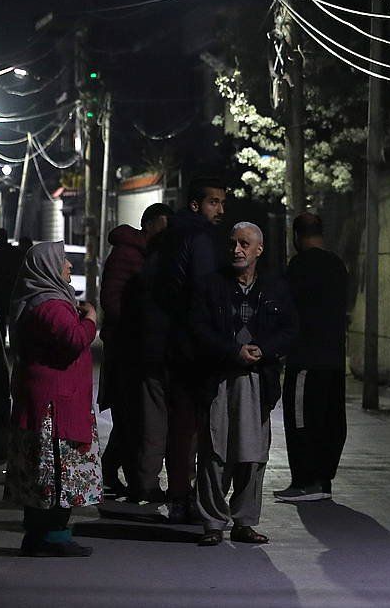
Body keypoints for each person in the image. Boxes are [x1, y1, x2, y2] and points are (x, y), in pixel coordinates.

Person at [189, 222, 297, 546]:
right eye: (233, 243)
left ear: (258, 250)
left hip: (257, 379)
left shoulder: (275, 287)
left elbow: (291, 329)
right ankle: (212, 522)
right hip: (219, 377)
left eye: (245, 244)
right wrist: (232, 351)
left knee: (253, 453)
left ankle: (244, 522)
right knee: (214, 451)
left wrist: (263, 350)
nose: (237, 250)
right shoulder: (211, 286)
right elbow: (197, 328)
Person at [3, 241, 102, 557]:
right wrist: (91, 320)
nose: (69, 266)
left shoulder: (39, 300)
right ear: (48, 267)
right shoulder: (50, 305)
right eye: (63, 261)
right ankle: (54, 537)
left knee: (41, 474)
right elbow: (74, 340)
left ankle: (37, 536)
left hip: (48, 401)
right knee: (58, 472)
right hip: (56, 406)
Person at [137, 177, 227, 521]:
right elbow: (203, 294)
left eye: (221, 203)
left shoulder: (167, 238)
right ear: (195, 205)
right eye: (213, 202)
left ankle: (176, 493)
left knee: (175, 423)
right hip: (188, 346)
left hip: (165, 343)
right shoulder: (200, 238)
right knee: (189, 425)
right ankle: (184, 496)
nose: (220, 209)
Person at [98, 202, 172, 497]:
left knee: (134, 416)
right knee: (131, 415)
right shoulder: (128, 254)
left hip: (135, 344)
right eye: (163, 226)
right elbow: (112, 299)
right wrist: (138, 322)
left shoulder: (149, 255)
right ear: (151, 224)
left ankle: (119, 472)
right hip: (125, 347)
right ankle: (130, 477)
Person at [277, 213, 349, 502]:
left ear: (296, 236)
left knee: (301, 418)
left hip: (306, 357)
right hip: (334, 357)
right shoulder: (337, 266)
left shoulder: (300, 266)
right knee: (331, 418)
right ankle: (323, 481)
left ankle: (305, 482)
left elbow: (287, 309)